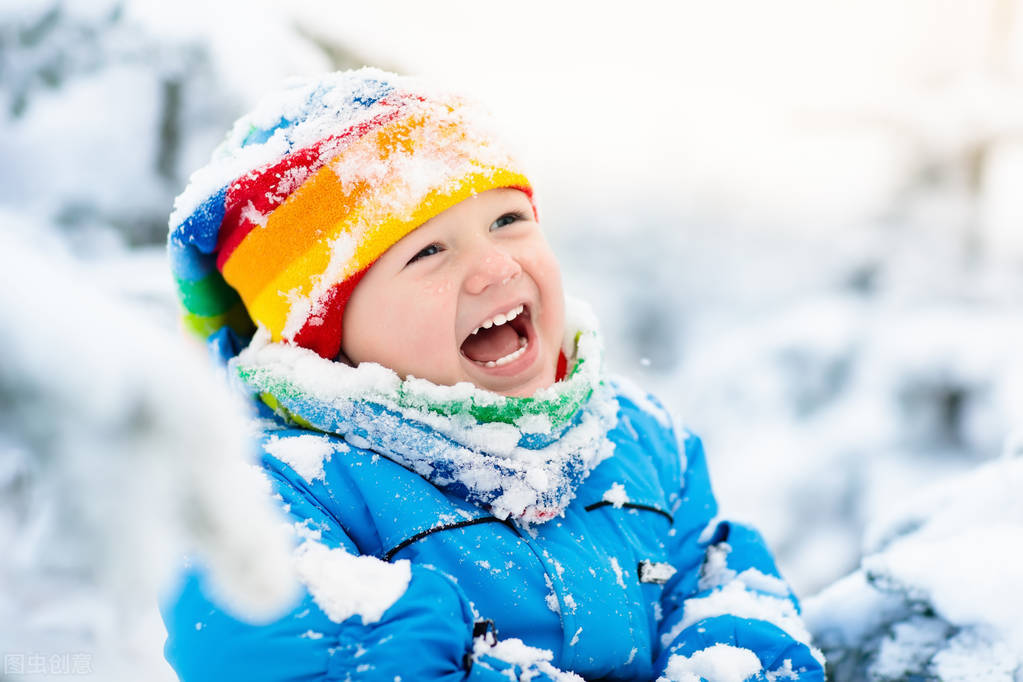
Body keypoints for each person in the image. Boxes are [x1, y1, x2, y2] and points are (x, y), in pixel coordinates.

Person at [162, 68, 825, 682]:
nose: (496, 267)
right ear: (325, 332)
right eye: (428, 251)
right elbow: (327, 655)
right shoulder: (272, 490)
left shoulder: (641, 437)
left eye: (507, 220)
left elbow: (723, 591)